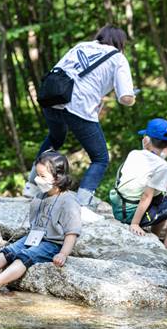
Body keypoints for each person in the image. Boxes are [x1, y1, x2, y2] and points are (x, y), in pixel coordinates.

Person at [24, 24, 136, 208]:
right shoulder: (118, 58)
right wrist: (132, 99)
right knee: (100, 158)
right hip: (79, 107)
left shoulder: (81, 46)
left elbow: (59, 71)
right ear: (120, 43)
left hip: (52, 100)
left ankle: (31, 186)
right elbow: (125, 97)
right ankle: (81, 203)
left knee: (55, 138)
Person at [0, 150, 81, 293]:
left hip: (52, 244)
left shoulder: (68, 201)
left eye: (43, 176)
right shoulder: (40, 196)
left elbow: (72, 232)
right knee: (9, 251)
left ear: (58, 177)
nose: (38, 179)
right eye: (37, 175)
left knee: (26, 256)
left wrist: (63, 254)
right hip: (34, 237)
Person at [109, 118, 167, 249]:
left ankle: (154, 237)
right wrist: (134, 224)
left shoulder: (133, 154)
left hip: (119, 209)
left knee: (161, 198)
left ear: (146, 140)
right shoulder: (164, 167)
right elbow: (147, 196)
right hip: (130, 216)